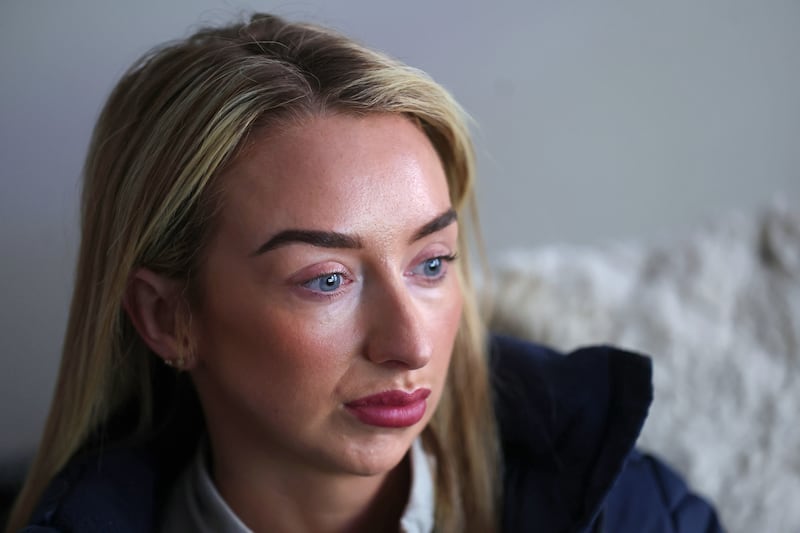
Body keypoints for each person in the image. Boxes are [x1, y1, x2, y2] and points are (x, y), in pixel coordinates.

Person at [7, 13, 723, 533]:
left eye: (432, 262)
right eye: (327, 279)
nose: (409, 344)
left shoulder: (628, 506)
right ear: (168, 317)